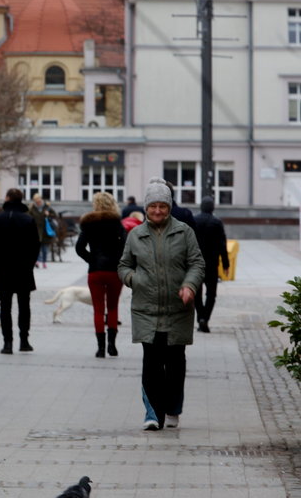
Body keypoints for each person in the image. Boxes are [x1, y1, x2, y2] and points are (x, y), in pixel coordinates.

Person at [118, 177, 204, 431]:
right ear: (146, 207)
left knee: (175, 362)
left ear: (169, 207)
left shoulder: (184, 232)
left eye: (162, 206)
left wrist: (189, 285)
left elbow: (197, 263)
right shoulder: (135, 235)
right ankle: (153, 413)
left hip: (178, 309)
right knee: (152, 361)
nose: (157, 211)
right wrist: (133, 279)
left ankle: (173, 408)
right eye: (153, 206)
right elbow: (124, 265)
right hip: (146, 309)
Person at [0, 188, 40, 353]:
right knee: (24, 305)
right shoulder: (28, 219)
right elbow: (35, 245)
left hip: (2, 269)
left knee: (5, 306)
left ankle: (7, 343)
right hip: (23, 269)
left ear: (7, 198)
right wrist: (29, 264)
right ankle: (24, 340)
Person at [75, 192, 126, 358]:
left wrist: (92, 260)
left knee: (98, 308)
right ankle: (112, 345)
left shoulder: (89, 223)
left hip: (95, 271)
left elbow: (79, 248)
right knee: (112, 307)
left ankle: (100, 348)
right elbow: (126, 246)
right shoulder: (117, 223)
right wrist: (118, 260)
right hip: (114, 271)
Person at [193, 196, 230, 333]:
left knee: (196, 293)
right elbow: (222, 244)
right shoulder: (217, 222)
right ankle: (205, 318)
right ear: (213, 208)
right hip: (211, 263)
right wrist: (226, 264)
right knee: (211, 294)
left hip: (196, 263)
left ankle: (200, 316)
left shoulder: (194, 221)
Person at [29, 192, 55, 268]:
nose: (38, 202)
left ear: (41, 199)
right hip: (35, 231)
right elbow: (27, 216)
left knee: (44, 248)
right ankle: (37, 261)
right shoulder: (32, 208)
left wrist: (48, 214)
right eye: (36, 201)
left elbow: (55, 215)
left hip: (45, 231)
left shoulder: (47, 207)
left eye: (39, 200)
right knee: (36, 248)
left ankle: (44, 262)